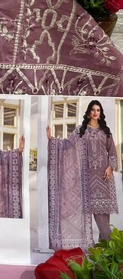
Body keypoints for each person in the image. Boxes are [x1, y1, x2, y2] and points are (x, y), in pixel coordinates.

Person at [47, 100, 119, 248]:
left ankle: (104, 249)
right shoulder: (81, 131)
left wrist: (110, 167)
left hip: (104, 179)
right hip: (88, 180)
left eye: (98, 110)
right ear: (88, 112)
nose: (95, 112)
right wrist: (52, 140)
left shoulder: (106, 131)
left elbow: (112, 153)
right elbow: (67, 145)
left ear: (100, 113)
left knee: (105, 219)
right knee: (101, 219)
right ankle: (115, 249)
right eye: (93, 110)